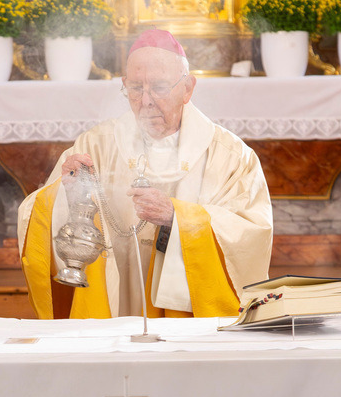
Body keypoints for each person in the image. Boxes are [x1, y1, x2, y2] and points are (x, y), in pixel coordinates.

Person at [17, 28, 273, 319]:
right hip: (116, 308)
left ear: (188, 88)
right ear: (124, 84)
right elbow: (37, 215)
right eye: (136, 88)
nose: (146, 100)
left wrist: (179, 218)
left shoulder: (230, 156)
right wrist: (65, 193)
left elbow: (251, 233)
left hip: (190, 322)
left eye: (160, 87)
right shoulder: (95, 145)